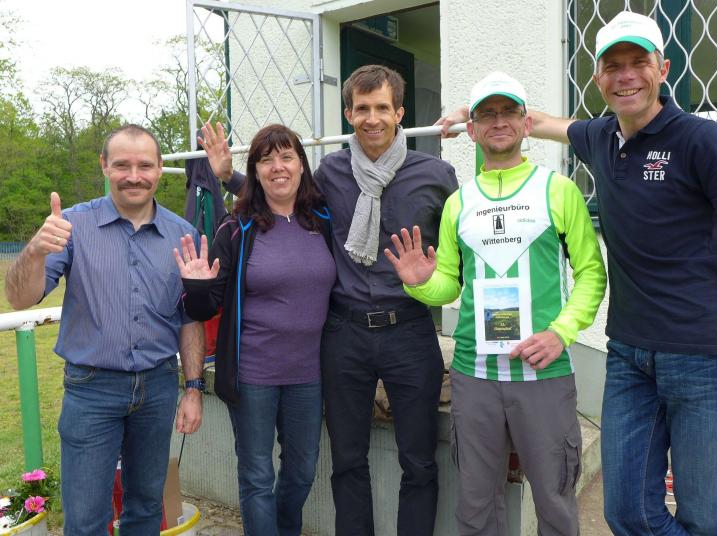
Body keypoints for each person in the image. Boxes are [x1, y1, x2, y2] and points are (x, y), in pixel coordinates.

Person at [438, 10, 717, 536]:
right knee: (626, 512)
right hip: (629, 353)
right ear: (598, 78)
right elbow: (535, 121)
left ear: (663, 69)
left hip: (699, 353)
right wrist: (470, 112)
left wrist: (704, 277)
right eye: (613, 65)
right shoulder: (602, 136)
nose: (626, 75)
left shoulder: (701, 140)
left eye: (638, 62)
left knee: (703, 514)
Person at [202, 64, 458, 535]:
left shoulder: (437, 175)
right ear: (348, 114)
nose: (372, 118)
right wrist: (229, 176)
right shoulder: (332, 172)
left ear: (400, 113)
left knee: (419, 461)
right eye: (362, 108)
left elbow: (464, 245)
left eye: (382, 107)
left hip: (409, 330)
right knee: (347, 460)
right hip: (345, 335)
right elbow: (282, 198)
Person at [386, 71, 606, 536]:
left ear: (527, 124)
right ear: (472, 130)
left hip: (543, 375)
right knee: (476, 508)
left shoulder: (558, 190)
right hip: (475, 377)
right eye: (487, 114)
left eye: (509, 112)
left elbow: (591, 274)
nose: (499, 121)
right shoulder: (458, 203)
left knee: (555, 504)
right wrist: (420, 284)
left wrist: (561, 333)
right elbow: (449, 286)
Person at [4, 124, 205, 535]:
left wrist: (193, 388)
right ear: (104, 166)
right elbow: (20, 299)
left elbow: (189, 319)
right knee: (85, 518)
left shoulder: (183, 235)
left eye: (144, 165)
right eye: (122, 165)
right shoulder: (72, 226)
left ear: (160, 167)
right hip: (92, 389)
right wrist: (36, 250)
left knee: (146, 509)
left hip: (158, 387)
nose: (134, 175)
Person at [175, 124, 335, 536]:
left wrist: (229, 175)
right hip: (253, 376)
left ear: (302, 165)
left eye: (286, 157)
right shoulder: (237, 228)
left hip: (308, 375)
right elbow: (205, 308)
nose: (278, 167)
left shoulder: (322, 219)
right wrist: (196, 287)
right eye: (266, 160)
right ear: (256, 170)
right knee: (257, 476)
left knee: (302, 471)